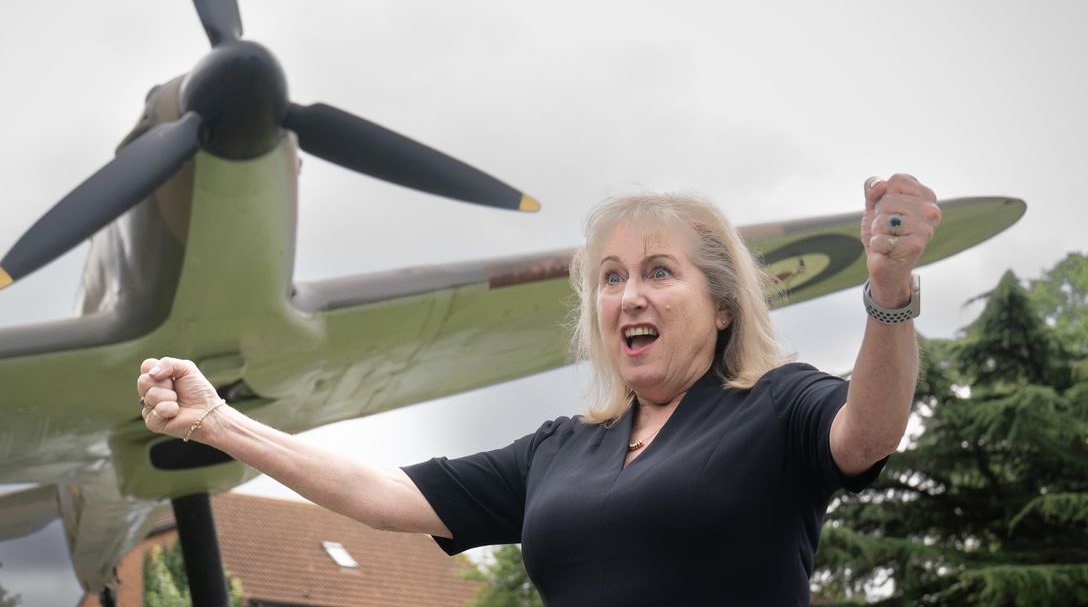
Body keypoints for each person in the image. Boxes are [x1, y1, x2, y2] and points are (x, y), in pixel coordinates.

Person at [137, 174, 940, 606]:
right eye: (612, 277)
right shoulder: (561, 449)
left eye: (660, 272)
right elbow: (385, 494)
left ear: (723, 305)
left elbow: (868, 430)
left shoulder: (774, 407)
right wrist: (219, 421)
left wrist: (889, 290)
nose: (629, 295)